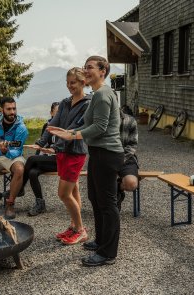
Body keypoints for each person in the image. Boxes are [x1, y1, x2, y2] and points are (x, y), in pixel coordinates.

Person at [48, 56, 124, 266]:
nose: (86, 70)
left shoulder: (101, 94)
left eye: (90, 67)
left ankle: (108, 253)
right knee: (95, 198)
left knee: (107, 204)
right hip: (99, 153)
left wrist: (72, 136)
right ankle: (100, 241)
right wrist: (68, 132)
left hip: (108, 154)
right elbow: (88, 126)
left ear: (103, 71)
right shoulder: (99, 93)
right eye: (85, 67)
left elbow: (100, 127)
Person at [29, 67, 91, 244]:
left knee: (63, 194)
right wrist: (41, 143)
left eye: (73, 83)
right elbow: (53, 124)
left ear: (82, 82)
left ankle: (80, 230)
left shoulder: (88, 103)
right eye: (67, 83)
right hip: (62, 152)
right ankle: (74, 226)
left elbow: (75, 128)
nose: (69, 86)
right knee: (74, 190)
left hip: (75, 152)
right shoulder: (64, 102)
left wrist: (56, 146)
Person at [20, 101, 59, 216]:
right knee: (32, 172)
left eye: (60, 113)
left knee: (31, 159)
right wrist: (38, 155)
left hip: (59, 160)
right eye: (56, 113)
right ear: (51, 113)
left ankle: (20, 188)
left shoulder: (65, 127)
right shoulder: (47, 126)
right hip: (47, 159)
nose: (58, 116)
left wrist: (36, 158)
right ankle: (40, 204)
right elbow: (41, 144)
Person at [117, 108, 139, 212]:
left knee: (131, 184)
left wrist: (120, 159)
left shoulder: (130, 121)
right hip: (105, 158)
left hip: (126, 157)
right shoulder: (99, 121)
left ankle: (118, 188)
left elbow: (132, 145)